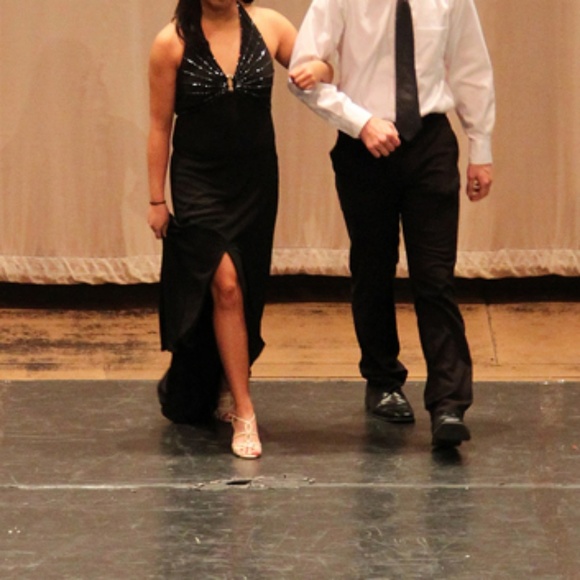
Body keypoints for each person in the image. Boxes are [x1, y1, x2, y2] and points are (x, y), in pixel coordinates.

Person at [288, 0, 495, 448]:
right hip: (364, 145)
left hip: (430, 141)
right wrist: (360, 122)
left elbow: (470, 67)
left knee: (435, 276)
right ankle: (382, 381)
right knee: (373, 268)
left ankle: (448, 403)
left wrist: (480, 147)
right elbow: (302, 75)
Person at [147, 0, 332, 459]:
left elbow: (325, 63)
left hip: (254, 183)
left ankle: (220, 380)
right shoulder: (171, 42)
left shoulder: (269, 25)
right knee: (225, 286)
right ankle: (245, 410)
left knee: (246, 292)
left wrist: (320, 69)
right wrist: (156, 199)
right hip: (198, 183)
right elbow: (159, 126)